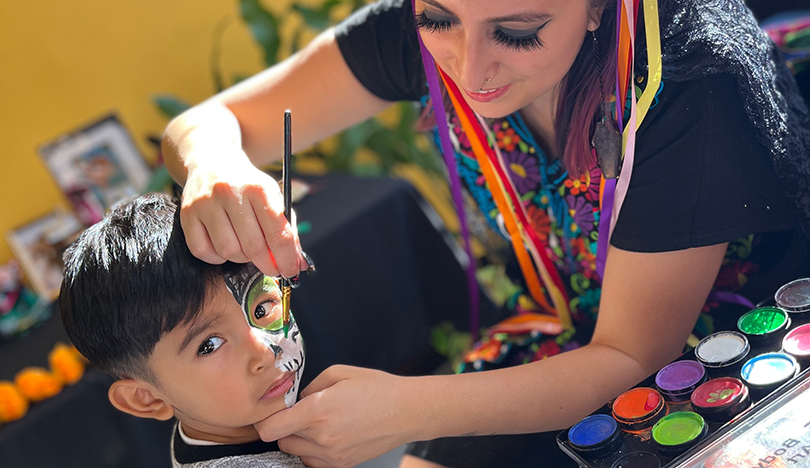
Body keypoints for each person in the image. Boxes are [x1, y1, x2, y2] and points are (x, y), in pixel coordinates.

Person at [161, 0, 810, 467]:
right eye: (437, 18)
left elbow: (630, 357)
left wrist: (405, 409)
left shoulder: (687, 84)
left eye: (519, 32)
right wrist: (213, 161)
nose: (470, 72)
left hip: (729, 346)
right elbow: (205, 122)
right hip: (567, 332)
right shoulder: (421, 35)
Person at [58, 193, 307, 468]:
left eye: (261, 310)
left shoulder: (216, 424)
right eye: (209, 345)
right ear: (147, 398)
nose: (265, 351)